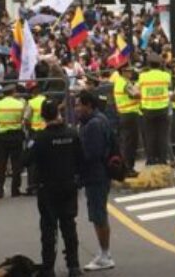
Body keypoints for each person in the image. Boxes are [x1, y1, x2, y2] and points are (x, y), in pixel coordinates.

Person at [24, 98, 83, 277]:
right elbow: (81, 158)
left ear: (42, 116)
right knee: (69, 226)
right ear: (58, 113)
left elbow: (25, 160)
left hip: (47, 187)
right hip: (68, 184)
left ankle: (48, 268)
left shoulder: (40, 138)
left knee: (49, 229)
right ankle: (73, 266)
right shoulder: (72, 134)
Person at [75, 90, 115, 271]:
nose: (76, 108)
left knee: (98, 215)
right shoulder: (98, 120)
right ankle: (103, 251)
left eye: (78, 105)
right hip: (99, 173)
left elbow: (92, 153)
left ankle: (105, 255)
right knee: (98, 214)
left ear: (88, 105)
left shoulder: (94, 125)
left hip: (96, 175)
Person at [0, 83, 26, 198]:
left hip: (2, 136)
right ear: (13, 92)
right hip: (16, 135)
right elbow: (23, 118)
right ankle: (15, 190)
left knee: (1, 164)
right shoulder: (20, 104)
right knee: (17, 164)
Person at [138, 54, 171, 165]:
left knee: (150, 136)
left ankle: (151, 159)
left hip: (148, 109)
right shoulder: (166, 75)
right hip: (162, 108)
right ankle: (162, 159)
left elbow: (136, 90)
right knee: (162, 136)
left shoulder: (143, 76)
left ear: (149, 65)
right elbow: (169, 85)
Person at [111, 64, 141, 177]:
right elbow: (134, 95)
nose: (131, 73)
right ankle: (128, 168)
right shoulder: (125, 83)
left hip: (125, 114)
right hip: (129, 115)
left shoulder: (119, 82)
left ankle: (127, 168)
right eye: (129, 71)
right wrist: (141, 89)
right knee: (130, 144)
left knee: (127, 142)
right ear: (123, 71)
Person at [24, 86, 48, 195]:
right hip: (46, 132)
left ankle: (32, 185)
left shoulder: (31, 102)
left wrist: (29, 129)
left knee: (32, 159)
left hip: (35, 133)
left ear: (33, 93)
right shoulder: (46, 100)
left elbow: (26, 119)